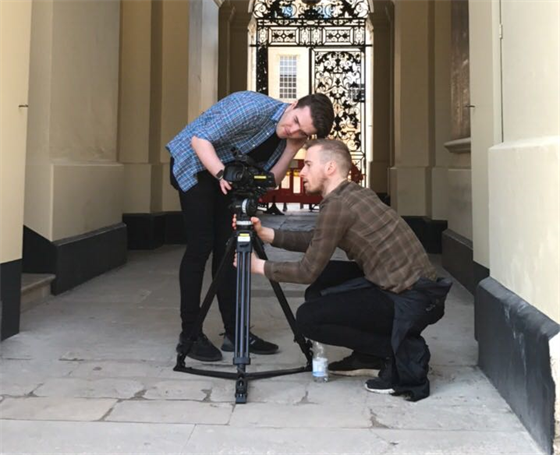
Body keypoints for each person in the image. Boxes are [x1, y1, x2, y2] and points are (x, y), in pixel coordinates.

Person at [237, 139, 452, 401]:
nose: (302, 172)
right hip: (414, 290)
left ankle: (393, 351)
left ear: (329, 168)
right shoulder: (353, 193)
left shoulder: (338, 205)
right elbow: (319, 238)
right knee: (322, 285)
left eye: (308, 164)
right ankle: (368, 355)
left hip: (411, 299)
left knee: (308, 319)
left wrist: (259, 266)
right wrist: (269, 234)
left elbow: (306, 271)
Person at [166, 91, 334, 362]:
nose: (292, 130)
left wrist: (292, 148)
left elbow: (271, 181)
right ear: (293, 105)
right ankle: (190, 335)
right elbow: (199, 140)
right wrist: (221, 173)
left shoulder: (289, 138)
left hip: (226, 179)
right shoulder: (252, 108)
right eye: (294, 121)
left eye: (302, 132)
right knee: (201, 245)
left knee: (228, 249)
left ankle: (235, 333)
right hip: (196, 164)